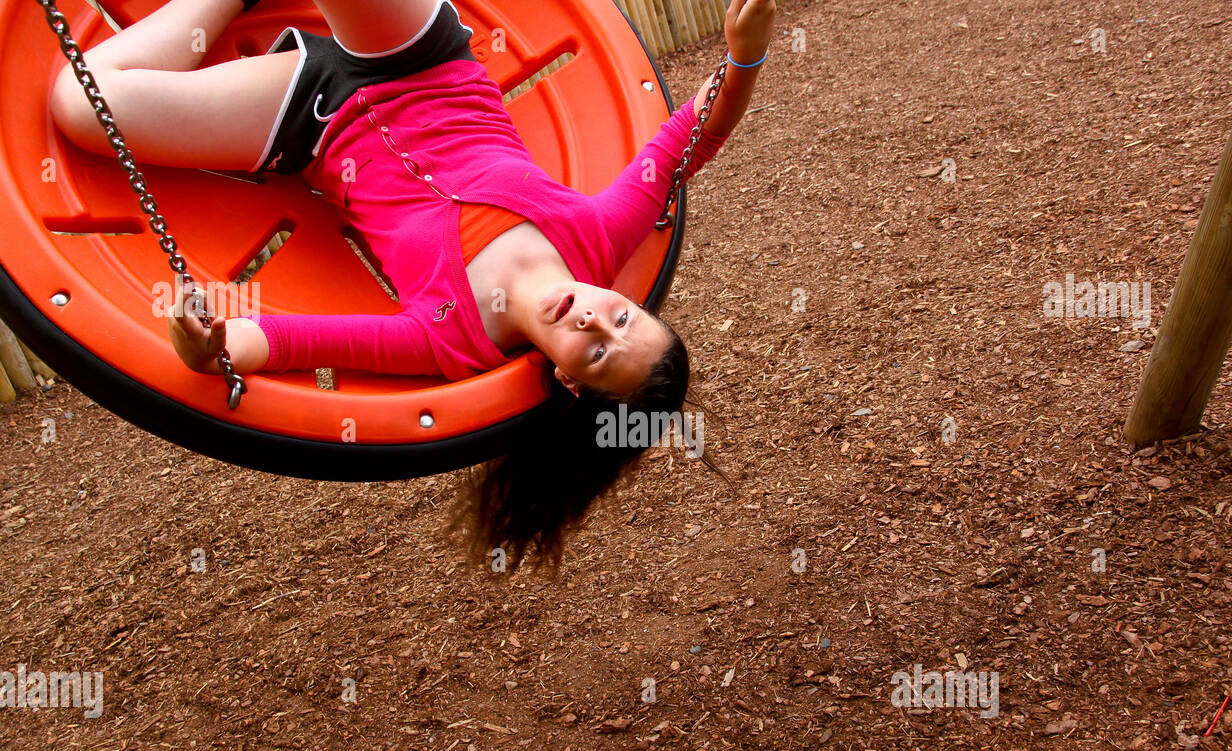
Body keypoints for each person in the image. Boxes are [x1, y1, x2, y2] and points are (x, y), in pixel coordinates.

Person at [51, 0, 774, 568]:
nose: (593, 320)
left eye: (595, 351)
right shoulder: (599, 238)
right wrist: (745, 58)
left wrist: (204, 341)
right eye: (620, 316)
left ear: (570, 381)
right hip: (413, 58)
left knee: (78, 108)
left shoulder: (450, 342)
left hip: (311, 118)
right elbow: (690, 138)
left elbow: (286, 342)